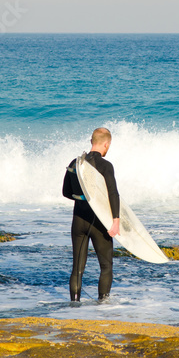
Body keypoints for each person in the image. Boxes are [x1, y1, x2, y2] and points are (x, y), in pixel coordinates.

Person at [62, 127, 121, 302]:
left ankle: (74, 305)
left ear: (91, 142)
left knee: (77, 269)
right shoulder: (106, 165)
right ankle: (102, 307)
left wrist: (82, 198)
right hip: (99, 223)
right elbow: (113, 193)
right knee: (106, 267)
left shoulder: (75, 163)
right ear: (106, 144)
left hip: (79, 220)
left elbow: (66, 192)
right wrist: (116, 221)